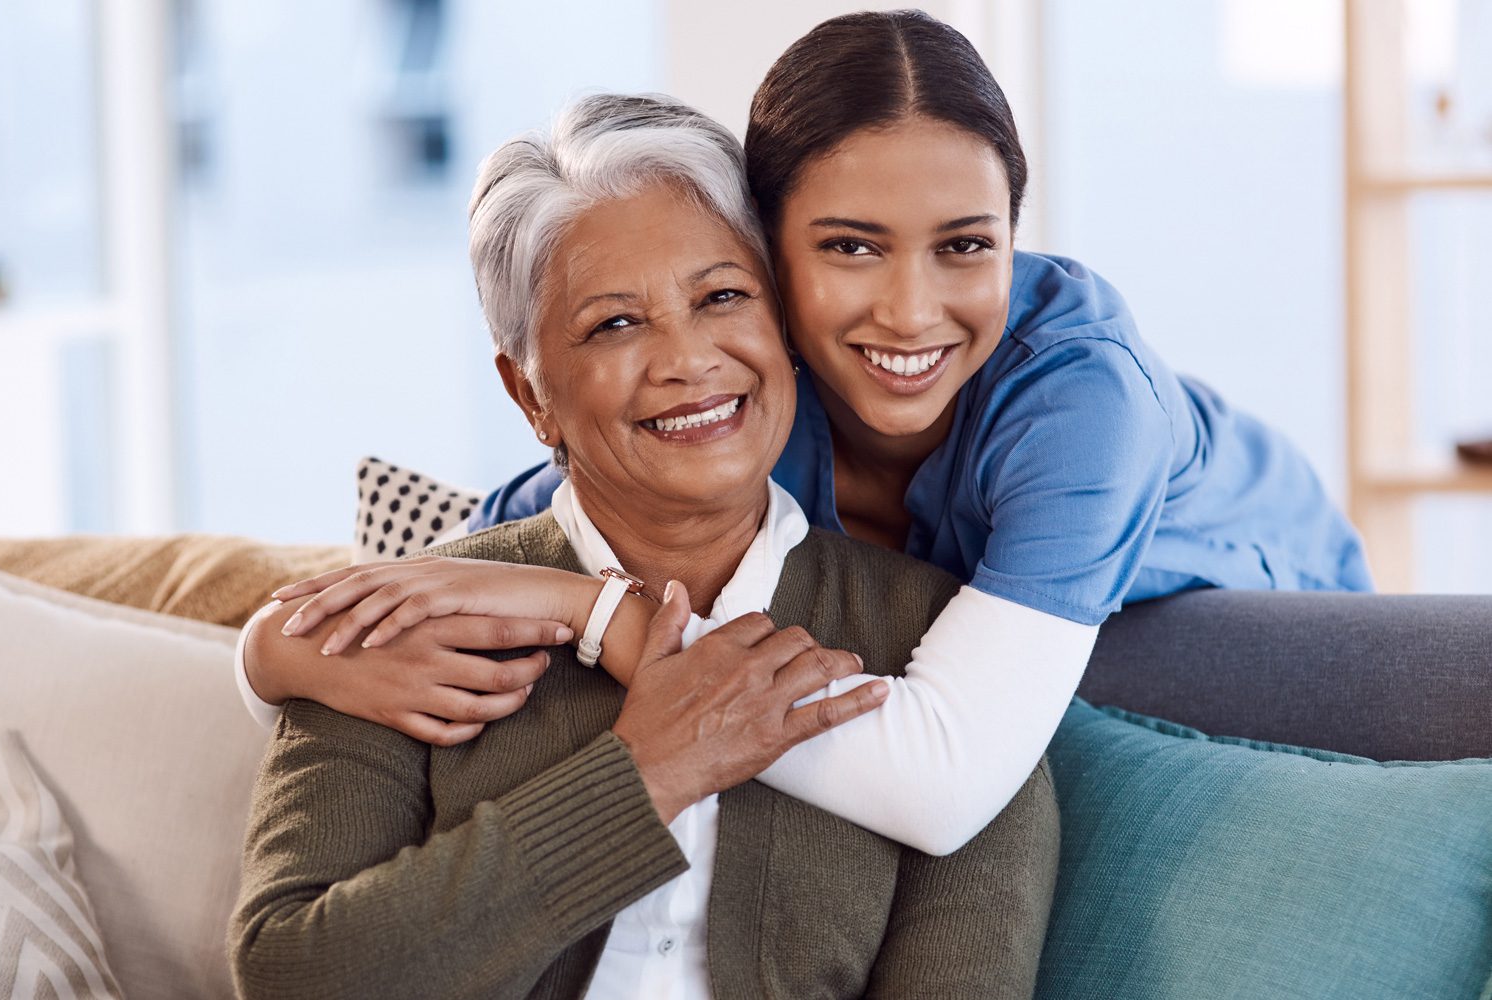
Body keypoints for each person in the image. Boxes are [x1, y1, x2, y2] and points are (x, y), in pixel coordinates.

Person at [240, 10, 1371, 853]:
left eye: (967, 245)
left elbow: (941, 785)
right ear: (764, 255)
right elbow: (465, 564)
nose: (912, 311)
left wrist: (606, 620)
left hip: (1265, 622)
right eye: (850, 247)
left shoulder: (1079, 397)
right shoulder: (742, 395)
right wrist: (265, 657)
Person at [229, 93, 1058, 999]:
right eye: (615, 324)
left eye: (723, 297)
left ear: (782, 326)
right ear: (529, 393)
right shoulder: (417, 617)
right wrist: (645, 778)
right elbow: (290, 973)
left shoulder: (941, 657)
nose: (688, 360)